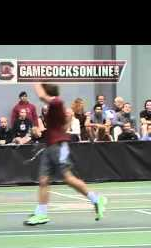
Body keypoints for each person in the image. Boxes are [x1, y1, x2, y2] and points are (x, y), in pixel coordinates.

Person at [24, 83, 107, 226]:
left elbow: (41, 96)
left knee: (68, 178)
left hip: (59, 147)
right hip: (49, 146)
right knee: (44, 180)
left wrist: (35, 81)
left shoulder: (57, 102)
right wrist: (67, 120)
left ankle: (96, 199)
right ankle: (42, 213)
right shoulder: (55, 108)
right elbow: (62, 127)